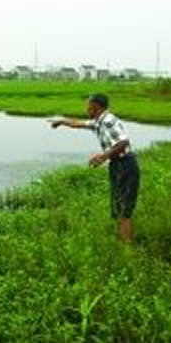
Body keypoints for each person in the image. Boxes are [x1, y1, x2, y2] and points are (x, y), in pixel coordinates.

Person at [49, 94, 140, 242]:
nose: (86, 110)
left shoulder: (108, 121)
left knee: (125, 208)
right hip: (117, 164)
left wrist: (103, 156)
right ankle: (123, 241)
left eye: (88, 107)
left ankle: (127, 246)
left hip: (125, 165)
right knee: (118, 205)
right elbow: (79, 123)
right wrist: (61, 121)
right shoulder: (99, 121)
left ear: (96, 107)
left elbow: (123, 142)